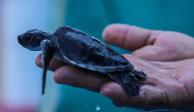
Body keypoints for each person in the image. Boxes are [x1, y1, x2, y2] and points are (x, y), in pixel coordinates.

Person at [36, 24, 194, 110]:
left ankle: (126, 74)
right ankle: (129, 73)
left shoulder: (49, 43)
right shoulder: (62, 31)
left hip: (96, 59)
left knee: (119, 80)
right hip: (112, 58)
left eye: (29, 38)